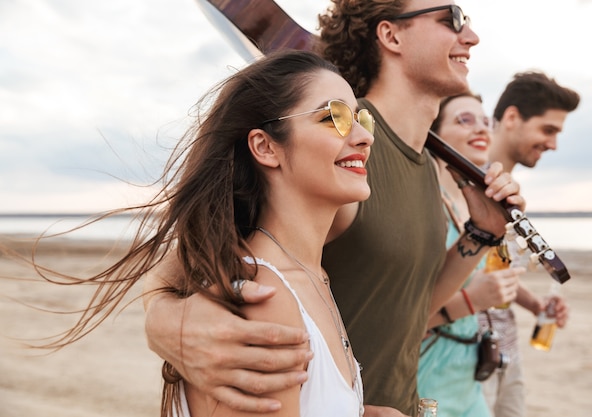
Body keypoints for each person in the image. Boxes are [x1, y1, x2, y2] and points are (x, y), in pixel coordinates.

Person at [143, 2, 526, 416]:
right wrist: (165, 320)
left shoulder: (423, 165)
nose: (470, 36)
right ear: (390, 35)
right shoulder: (337, 153)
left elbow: (412, 305)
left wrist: (481, 234)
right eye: (450, 18)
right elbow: (195, 253)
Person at [31, 50, 377, 417]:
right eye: (333, 117)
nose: (363, 138)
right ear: (265, 146)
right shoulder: (265, 295)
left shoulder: (313, 278)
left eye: (362, 119)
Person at [417, 92, 525, 417]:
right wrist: (472, 301)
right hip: (428, 372)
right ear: (434, 134)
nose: (480, 129)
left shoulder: (469, 206)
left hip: (468, 376)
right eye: (464, 120)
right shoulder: (424, 207)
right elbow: (398, 321)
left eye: (484, 121)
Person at [479, 70, 579, 417]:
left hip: (508, 352)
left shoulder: (510, 192)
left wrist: (535, 305)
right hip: (469, 359)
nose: (553, 144)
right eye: (548, 130)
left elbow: (491, 270)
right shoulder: (466, 181)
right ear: (511, 118)